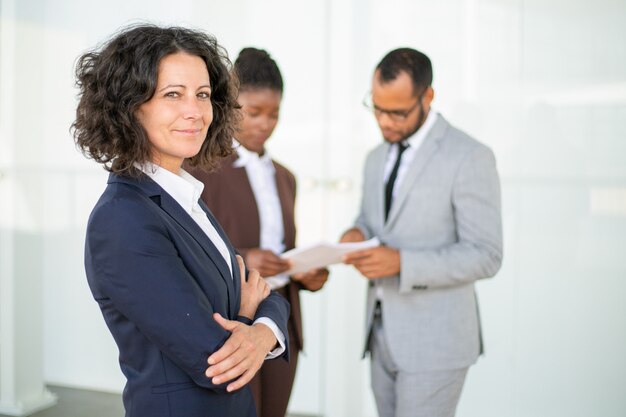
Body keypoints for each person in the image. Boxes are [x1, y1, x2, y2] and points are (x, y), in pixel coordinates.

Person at [72, 25, 290, 417]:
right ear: (129, 106)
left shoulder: (184, 199)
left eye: (203, 94)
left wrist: (261, 331)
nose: (196, 111)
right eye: (173, 94)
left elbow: (264, 292)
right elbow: (214, 359)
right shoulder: (123, 218)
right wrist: (250, 322)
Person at [340, 48, 503, 417]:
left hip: (436, 343)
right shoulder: (375, 158)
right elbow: (370, 220)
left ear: (427, 97)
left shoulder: (469, 156)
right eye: (377, 108)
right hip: (380, 335)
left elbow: (487, 254)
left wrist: (401, 263)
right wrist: (355, 232)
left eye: (397, 112)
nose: (385, 122)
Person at [187, 47, 328, 417]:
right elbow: (188, 249)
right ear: (229, 106)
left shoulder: (286, 177)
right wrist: (246, 258)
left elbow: (285, 251)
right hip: (233, 325)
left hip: (283, 327)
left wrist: (306, 273)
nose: (265, 123)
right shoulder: (201, 170)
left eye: (274, 114)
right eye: (254, 112)